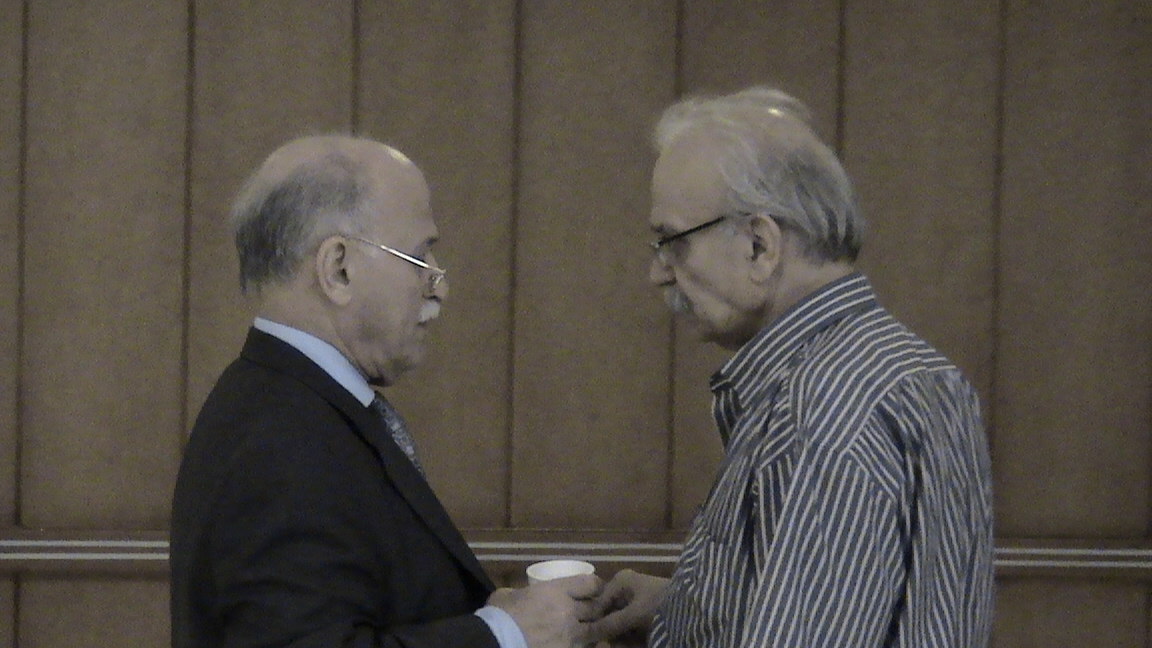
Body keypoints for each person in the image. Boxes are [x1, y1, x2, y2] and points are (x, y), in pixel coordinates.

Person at [586, 87, 995, 647]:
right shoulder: (916, 373)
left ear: (760, 245)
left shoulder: (819, 407)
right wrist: (683, 607)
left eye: (671, 242)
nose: (658, 273)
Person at [170, 134, 601, 648]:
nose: (439, 286)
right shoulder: (281, 443)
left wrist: (488, 619)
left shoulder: (290, 406)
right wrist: (507, 634)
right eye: (419, 258)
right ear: (338, 269)